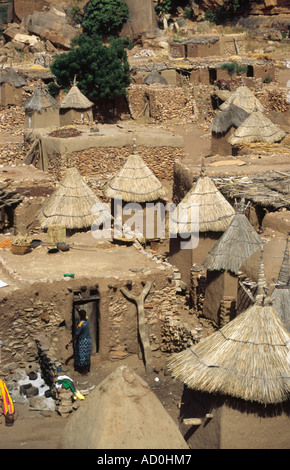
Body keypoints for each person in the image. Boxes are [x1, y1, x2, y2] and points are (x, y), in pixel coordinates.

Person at [66, 309, 92, 376]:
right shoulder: (88, 320)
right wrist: (78, 309)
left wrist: (69, 343)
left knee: (82, 356)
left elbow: (76, 336)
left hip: (83, 342)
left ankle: (83, 372)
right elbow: (83, 314)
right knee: (87, 355)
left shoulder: (81, 324)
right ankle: (87, 370)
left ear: (80, 316)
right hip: (88, 341)